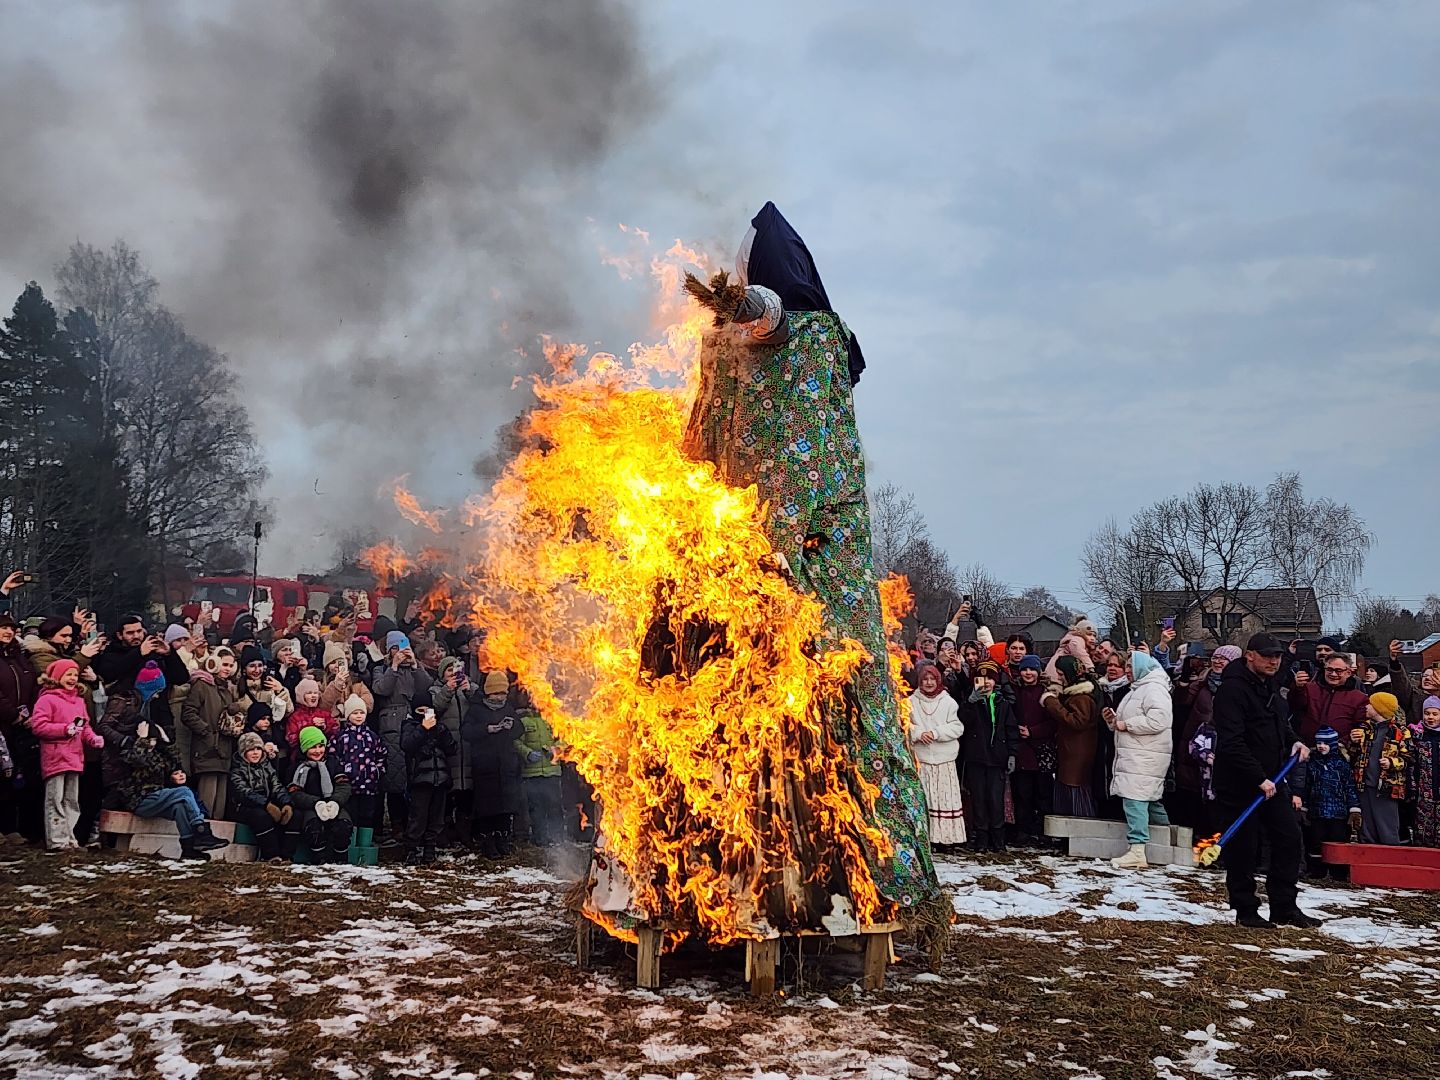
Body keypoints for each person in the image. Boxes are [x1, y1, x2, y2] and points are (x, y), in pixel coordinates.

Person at [680, 200, 939, 910]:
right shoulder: (725, 346)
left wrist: (779, 540)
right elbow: (701, 440)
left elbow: (807, 449)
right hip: (735, 554)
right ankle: (709, 881)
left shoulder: (817, 339)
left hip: (812, 558)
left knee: (835, 704)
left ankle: (863, 882)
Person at [1211, 633, 1316, 929]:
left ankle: (1284, 906)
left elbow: (1279, 725)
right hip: (1240, 782)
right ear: (1250, 655)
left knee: (1289, 838)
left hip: (1273, 781)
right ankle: (1245, 909)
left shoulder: (1269, 687)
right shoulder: (1232, 691)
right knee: (1244, 849)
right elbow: (1232, 742)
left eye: (1278, 656)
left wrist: (1294, 741)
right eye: (1267, 655)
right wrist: (1258, 778)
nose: (1274, 661)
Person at [116, 713, 229, 860]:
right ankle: (201, 831)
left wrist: (167, 741)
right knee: (184, 792)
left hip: (156, 797)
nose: (152, 743)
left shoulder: (157, 755)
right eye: (150, 740)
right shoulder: (129, 752)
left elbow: (174, 763)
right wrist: (142, 740)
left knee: (180, 806)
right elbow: (138, 760)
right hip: (139, 800)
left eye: (155, 740)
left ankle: (188, 848)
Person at [1104, 652, 1174, 870]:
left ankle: (1137, 850)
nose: (1126, 671)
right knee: (1150, 801)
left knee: (1135, 799)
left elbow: (1159, 720)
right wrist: (1113, 721)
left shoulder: (1153, 688)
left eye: (1129, 667)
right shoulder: (1139, 689)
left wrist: (1127, 725)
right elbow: (1128, 722)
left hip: (1144, 757)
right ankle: (1169, 841)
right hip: (1138, 754)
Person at [29, 659, 105, 852]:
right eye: (68, 674)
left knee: (71, 800)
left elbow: (84, 726)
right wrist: (64, 729)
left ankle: (69, 836)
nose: (72, 678)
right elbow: (39, 726)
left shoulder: (79, 701)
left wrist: (93, 739)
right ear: (57, 677)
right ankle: (56, 839)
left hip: (75, 757)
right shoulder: (46, 699)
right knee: (55, 798)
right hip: (55, 757)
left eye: (74, 674)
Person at [371, 631, 434, 845]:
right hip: (392, 727)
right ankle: (397, 824)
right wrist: (394, 667)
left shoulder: (415, 669)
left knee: (414, 776)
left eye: (404, 647)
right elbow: (382, 689)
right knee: (395, 777)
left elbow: (428, 689)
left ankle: (414, 825)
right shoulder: (381, 668)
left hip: (415, 722)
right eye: (396, 648)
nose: (401, 652)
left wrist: (415, 666)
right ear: (390, 650)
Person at [461, 670, 524, 859]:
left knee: (506, 805)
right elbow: (467, 732)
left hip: (506, 765)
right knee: (488, 806)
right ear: (488, 692)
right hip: (485, 765)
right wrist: (488, 729)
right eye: (496, 693)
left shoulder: (508, 709)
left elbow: (519, 730)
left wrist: (511, 727)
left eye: (503, 693)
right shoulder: (476, 709)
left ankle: (503, 839)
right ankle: (488, 842)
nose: (500, 697)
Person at [959, 660, 1019, 853]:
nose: (985, 683)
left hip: (997, 759)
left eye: (989, 679)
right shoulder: (971, 702)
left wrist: (1012, 754)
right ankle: (982, 837)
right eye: (981, 679)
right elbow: (962, 722)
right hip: (976, 758)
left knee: (995, 799)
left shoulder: (1002, 703)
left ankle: (998, 839)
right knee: (979, 799)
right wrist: (970, 702)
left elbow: (1011, 730)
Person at [907, 662, 966, 850]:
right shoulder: (910, 702)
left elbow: (957, 727)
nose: (929, 683)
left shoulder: (948, 701)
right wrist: (918, 733)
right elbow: (904, 725)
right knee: (925, 799)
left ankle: (947, 839)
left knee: (945, 799)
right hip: (921, 759)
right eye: (925, 679)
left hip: (944, 760)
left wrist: (936, 733)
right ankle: (927, 839)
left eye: (932, 679)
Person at [183, 647, 243, 819]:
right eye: (224, 664)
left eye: (231, 665)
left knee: (220, 805)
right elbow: (188, 713)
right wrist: (206, 731)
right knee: (207, 800)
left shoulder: (229, 690)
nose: (227, 668)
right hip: (206, 748)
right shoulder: (202, 685)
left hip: (224, 750)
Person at [1294, 726, 1361, 879]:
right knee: (1316, 841)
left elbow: (1350, 787)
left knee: (1338, 840)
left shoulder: (1342, 764)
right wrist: (1304, 807)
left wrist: (1354, 809)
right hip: (1317, 810)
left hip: (1339, 812)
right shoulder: (1312, 763)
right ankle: (1317, 871)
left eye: (1325, 743)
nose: (1321, 746)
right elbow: (1307, 785)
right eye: (1319, 743)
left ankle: (1339, 873)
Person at [1041, 655, 1102, 818]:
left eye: (1061, 674)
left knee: (1076, 795)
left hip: (1077, 754)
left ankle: (1079, 834)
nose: (1059, 678)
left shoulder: (1082, 697)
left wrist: (1051, 702)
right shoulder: (1076, 694)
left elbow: (1077, 722)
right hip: (1071, 753)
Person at [1350, 691, 1412, 846]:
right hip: (1364, 784)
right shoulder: (1364, 729)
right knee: (1366, 827)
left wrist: (1392, 763)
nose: (1367, 707)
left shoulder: (1400, 732)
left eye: (1370, 704)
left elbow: (1409, 758)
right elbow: (1353, 755)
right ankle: (1367, 861)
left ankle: (1391, 861)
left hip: (1386, 787)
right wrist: (1353, 743)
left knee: (1387, 827)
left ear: (1379, 709)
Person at [0, 611, 40, 842]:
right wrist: (13, 714)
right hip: (4, 724)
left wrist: (30, 712)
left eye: (11, 628)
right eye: (3, 628)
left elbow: (32, 685)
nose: (7, 632)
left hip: (21, 726)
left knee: (14, 774)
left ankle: (10, 827)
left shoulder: (19, 657)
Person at [401, 705, 457, 865]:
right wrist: (422, 729)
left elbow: (452, 749)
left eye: (428, 710)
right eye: (421, 710)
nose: (425, 713)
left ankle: (429, 851)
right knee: (417, 818)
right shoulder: (410, 726)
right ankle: (410, 851)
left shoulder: (440, 727)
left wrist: (443, 732)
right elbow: (406, 745)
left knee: (436, 818)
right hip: (420, 781)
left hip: (440, 780)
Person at [288, 728, 354, 864]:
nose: (318, 751)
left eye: (321, 746)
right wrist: (315, 803)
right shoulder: (297, 768)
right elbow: (295, 793)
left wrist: (335, 802)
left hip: (333, 803)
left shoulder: (333, 763)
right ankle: (320, 859)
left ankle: (341, 859)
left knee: (343, 826)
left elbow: (344, 786)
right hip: (310, 806)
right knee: (314, 828)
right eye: (313, 747)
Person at [1010, 655, 1056, 846]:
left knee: (1043, 793)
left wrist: (1033, 731)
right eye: (1025, 669)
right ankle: (1023, 831)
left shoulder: (1046, 692)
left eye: (1032, 670)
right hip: (1022, 751)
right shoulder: (1015, 691)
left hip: (1042, 750)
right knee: (1022, 794)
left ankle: (1043, 832)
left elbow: (1053, 722)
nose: (1028, 673)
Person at [228, 731, 293, 862]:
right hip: (243, 807)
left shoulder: (267, 766)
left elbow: (277, 786)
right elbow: (243, 793)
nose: (256, 753)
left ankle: (286, 856)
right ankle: (271, 855)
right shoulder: (237, 769)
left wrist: (287, 803)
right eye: (251, 750)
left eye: (258, 749)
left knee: (294, 816)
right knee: (261, 816)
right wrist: (266, 805)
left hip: (267, 803)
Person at [430, 655, 475, 846]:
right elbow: (436, 707)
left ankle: (465, 832)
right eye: (449, 671)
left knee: (467, 793)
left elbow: (479, 706)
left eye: (455, 670)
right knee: (447, 793)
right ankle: (445, 833)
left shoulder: (469, 687)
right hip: (448, 747)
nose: (453, 674)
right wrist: (448, 689)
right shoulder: (435, 689)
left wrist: (469, 691)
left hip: (468, 746)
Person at [332, 694, 385, 840]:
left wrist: (378, 771)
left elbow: (381, 755)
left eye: (361, 712)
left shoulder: (372, 736)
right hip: (349, 785)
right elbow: (333, 757)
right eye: (355, 713)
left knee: (367, 815)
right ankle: (351, 844)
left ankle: (365, 844)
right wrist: (340, 773)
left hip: (369, 784)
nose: (359, 716)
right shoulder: (341, 737)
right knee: (352, 815)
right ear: (348, 715)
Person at [1290, 652, 1368, 745]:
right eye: (1329, 669)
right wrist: (1297, 687)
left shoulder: (1359, 698)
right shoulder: (1309, 688)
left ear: (1348, 673)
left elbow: (1361, 727)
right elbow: (1294, 705)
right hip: (1307, 748)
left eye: (1338, 670)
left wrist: (1344, 742)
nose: (1333, 674)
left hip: (1340, 751)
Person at [1409, 697, 1440, 847]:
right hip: (1423, 790)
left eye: (1435, 714)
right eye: (1427, 713)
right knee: (1423, 827)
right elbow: (1412, 763)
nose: (1430, 717)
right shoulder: (1417, 735)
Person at [285, 678, 336, 761]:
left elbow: (335, 731)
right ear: (301, 696)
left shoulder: (323, 714)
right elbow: (291, 740)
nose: (313, 695)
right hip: (301, 759)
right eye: (309, 693)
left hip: (323, 757)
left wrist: (325, 727)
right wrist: (310, 731)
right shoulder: (294, 717)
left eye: (315, 693)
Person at [1044, 616, 1098, 691]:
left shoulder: (1076, 640)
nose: (1092, 638)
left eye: (1094, 636)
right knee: (1055, 691)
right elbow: (1080, 653)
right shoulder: (1077, 640)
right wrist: (1090, 667)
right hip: (1056, 673)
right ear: (1080, 633)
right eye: (1089, 634)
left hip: (1060, 673)